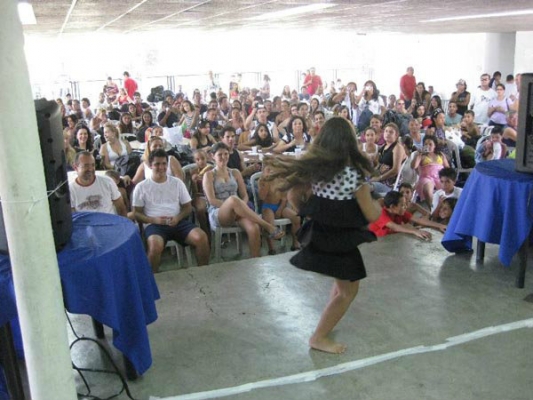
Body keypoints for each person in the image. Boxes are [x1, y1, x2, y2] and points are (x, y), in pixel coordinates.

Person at [265, 117, 381, 354]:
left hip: (320, 234)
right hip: (340, 240)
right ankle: (318, 337)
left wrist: (309, 210)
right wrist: (380, 205)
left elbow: (293, 197)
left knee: (341, 285)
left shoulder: (316, 170)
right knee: (348, 291)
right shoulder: (354, 175)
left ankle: (327, 323)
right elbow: (371, 214)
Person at [133, 149, 210, 272]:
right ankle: (152, 277)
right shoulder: (141, 187)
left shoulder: (177, 183)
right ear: (150, 165)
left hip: (177, 222)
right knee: (155, 246)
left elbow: (187, 207)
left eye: (164, 163)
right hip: (154, 225)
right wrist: (154, 220)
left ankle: (204, 272)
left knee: (201, 237)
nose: (161, 167)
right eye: (157, 164)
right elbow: (137, 213)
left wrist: (178, 218)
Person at [203, 142, 284, 258]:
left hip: (239, 210)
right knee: (233, 199)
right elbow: (211, 200)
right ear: (212, 156)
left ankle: (255, 260)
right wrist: (233, 205)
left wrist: (241, 206)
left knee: (254, 228)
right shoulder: (209, 175)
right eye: (220, 154)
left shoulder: (235, 172)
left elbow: (245, 195)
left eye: (226, 154)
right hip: (219, 211)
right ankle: (267, 226)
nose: (223, 157)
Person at [258, 165, 301, 255]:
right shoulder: (263, 181)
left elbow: (284, 198)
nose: (271, 171)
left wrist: (280, 209)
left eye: (273, 169)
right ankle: (271, 248)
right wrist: (264, 184)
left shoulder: (281, 180)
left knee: (297, 218)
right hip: (267, 207)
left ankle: (295, 243)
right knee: (269, 221)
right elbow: (262, 197)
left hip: (280, 206)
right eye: (268, 169)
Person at [70, 151, 127, 217]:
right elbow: (72, 217)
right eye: (86, 165)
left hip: (109, 222)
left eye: (93, 165)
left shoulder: (107, 182)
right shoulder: (70, 190)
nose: (90, 169)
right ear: (75, 167)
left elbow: (121, 208)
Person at [369, 191, 446, 238]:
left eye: (405, 204)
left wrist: (440, 225)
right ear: (392, 207)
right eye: (402, 205)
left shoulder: (399, 212)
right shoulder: (381, 214)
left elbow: (418, 220)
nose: (405, 207)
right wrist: (415, 231)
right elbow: (394, 227)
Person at [412, 135, 450, 207]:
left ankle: (443, 208)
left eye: (430, 144)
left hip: (440, 177)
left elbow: (447, 167)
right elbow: (414, 166)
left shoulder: (440, 154)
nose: (428, 146)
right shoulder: (422, 155)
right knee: (427, 189)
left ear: (435, 145)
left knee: (446, 190)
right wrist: (418, 155)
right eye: (426, 144)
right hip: (426, 177)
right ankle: (432, 208)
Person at [370, 122, 406, 194]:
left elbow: (395, 170)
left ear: (396, 135)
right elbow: (376, 164)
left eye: (391, 132)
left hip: (389, 184)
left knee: (364, 188)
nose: (388, 133)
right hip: (378, 178)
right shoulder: (383, 146)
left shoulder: (398, 148)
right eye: (386, 131)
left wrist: (379, 178)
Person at [189, 149, 214, 238]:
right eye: (198, 159)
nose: (201, 161)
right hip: (200, 196)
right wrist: (194, 181)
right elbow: (195, 192)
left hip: (212, 194)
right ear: (194, 160)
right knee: (200, 209)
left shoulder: (212, 170)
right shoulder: (193, 172)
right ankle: (206, 232)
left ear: (206, 158)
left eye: (203, 158)